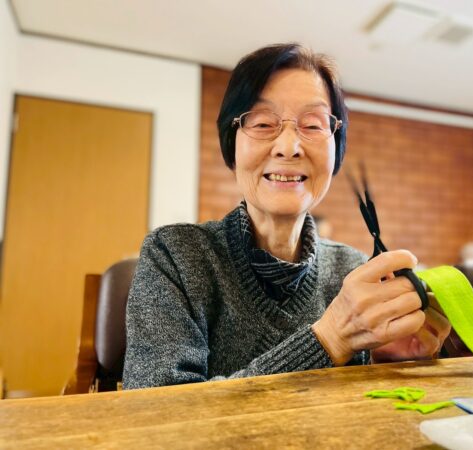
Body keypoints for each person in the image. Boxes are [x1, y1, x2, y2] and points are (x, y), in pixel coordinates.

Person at [123, 43, 450, 389]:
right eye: (264, 123)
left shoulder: (352, 270)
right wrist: (330, 339)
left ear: (335, 148)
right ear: (231, 143)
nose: (289, 147)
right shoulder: (175, 256)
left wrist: (384, 361)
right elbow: (157, 409)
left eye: (313, 125)